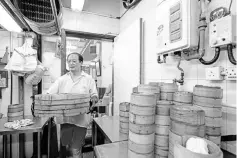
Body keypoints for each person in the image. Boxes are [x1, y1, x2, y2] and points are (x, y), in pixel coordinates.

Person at [46, 52, 98, 158]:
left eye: (74, 61)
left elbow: (94, 95)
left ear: (81, 63)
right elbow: (49, 94)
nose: (71, 63)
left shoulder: (88, 79)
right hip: (65, 120)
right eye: (69, 61)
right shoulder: (62, 79)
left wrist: (93, 99)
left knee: (76, 149)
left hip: (81, 120)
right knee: (67, 146)